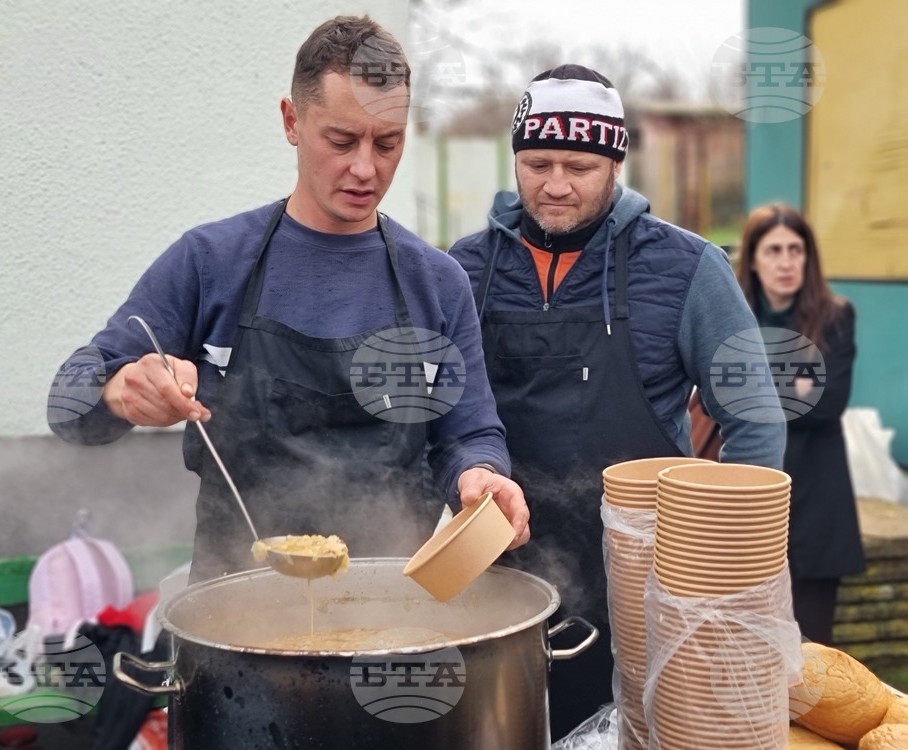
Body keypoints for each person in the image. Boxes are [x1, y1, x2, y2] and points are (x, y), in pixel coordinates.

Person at [47, 15, 530, 586]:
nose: (365, 168)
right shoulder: (210, 262)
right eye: (342, 140)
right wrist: (119, 390)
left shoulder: (438, 282)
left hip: (394, 611)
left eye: (388, 144)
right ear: (292, 121)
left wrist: (482, 474)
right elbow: (66, 404)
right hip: (231, 617)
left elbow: (468, 435)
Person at [448, 64, 786, 739]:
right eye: (536, 162)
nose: (555, 184)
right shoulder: (465, 268)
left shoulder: (687, 267)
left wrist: (717, 574)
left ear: (615, 163)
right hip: (499, 580)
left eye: (578, 165)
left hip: (645, 589)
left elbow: (754, 418)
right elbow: (442, 418)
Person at [737, 203, 865, 645]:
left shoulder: (834, 315)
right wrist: (797, 380)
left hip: (815, 504)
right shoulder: (733, 316)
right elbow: (719, 399)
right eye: (773, 250)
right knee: (746, 647)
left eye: (796, 249)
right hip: (748, 502)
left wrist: (751, 382)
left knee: (813, 658)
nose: (786, 261)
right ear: (753, 258)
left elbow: (826, 404)